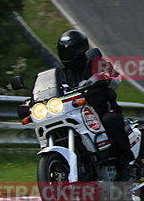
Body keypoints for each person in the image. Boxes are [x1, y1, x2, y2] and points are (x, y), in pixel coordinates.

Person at [57, 30, 135, 181]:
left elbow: (116, 77)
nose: (66, 55)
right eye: (63, 51)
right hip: (79, 115)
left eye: (70, 51)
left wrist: (105, 76)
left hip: (102, 109)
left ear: (80, 49)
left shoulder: (95, 62)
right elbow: (56, 90)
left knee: (110, 121)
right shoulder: (63, 73)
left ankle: (127, 164)